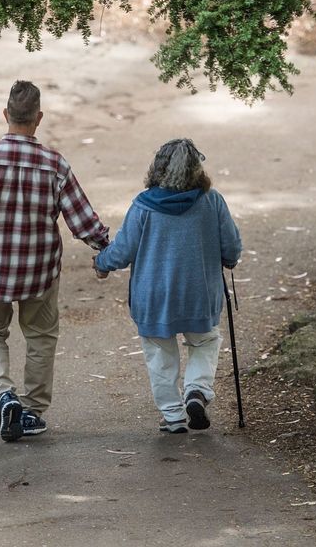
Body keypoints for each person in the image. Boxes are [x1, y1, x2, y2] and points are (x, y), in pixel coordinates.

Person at [0, 80, 109, 442]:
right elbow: (82, 221)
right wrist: (105, 249)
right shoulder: (54, 165)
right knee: (41, 337)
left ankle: (3, 397)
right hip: (38, 273)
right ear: (39, 118)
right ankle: (30, 410)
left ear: (5, 115)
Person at [93, 139, 242, 433]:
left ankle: (173, 416)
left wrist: (101, 263)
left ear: (157, 168)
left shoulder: (143, 206)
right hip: (199, 294)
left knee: (160, 353)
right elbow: (232, 246)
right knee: (205, 342)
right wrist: (229, 259)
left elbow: (123, 251)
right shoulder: (212, 201)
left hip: (154, 296)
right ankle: (196, 392)